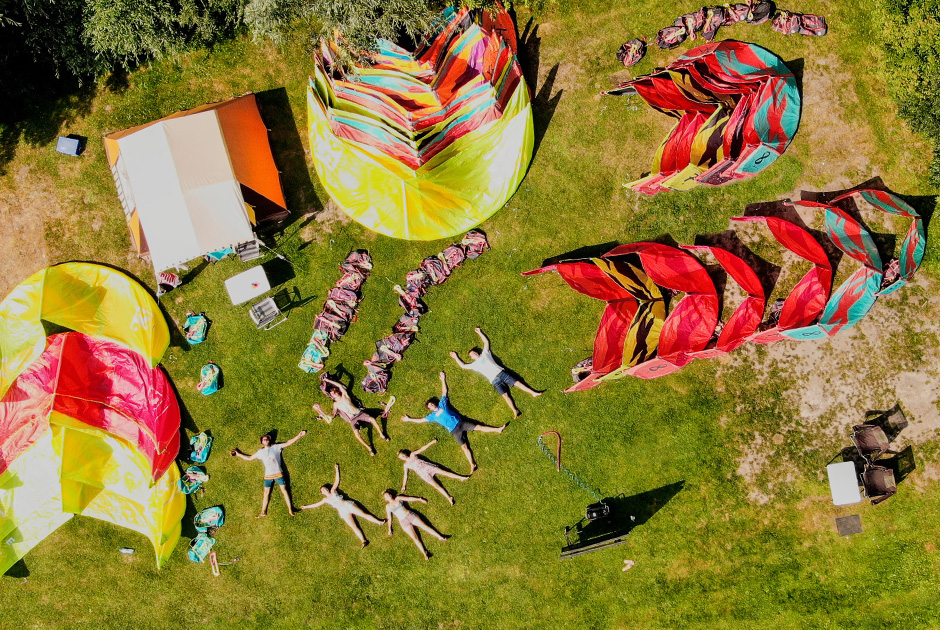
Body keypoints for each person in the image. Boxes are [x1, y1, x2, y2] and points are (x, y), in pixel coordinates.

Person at [401, 371, 505, 473]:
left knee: (480, 427)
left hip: (461, 423)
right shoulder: (432, 416)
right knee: (464, 447)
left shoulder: (442, 404)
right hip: (454, 431)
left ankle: (498, 429)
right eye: (430, 406)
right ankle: (472, 464)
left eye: (432, 404)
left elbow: (444, 392)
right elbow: (421, 420)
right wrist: (409, 419)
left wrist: (443, 380)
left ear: (434, 403)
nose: (432, 406)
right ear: (430, 409)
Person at [449, 327, 542, 417]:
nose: (474, 353)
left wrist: (479, 332)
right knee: (505, 396)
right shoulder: (474, 365)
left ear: (478, 352)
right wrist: (456, 357)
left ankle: (533, 393)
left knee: (518, 383)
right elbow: (463, 366)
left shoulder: (485, 353)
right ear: (472, 358)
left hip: (501, 373)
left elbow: (486, 342)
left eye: (474, 352)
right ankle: (515, 410)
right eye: (472, 354)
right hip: (494, 381)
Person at [300, 463, 386, 548]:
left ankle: (379, 522)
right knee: (353, 526)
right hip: (343, 511)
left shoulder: (333, 490)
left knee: (363, 514)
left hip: (347, 505)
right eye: (323, 490)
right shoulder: (325, 500)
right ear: (322, 493)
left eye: (325, 488)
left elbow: (337, 480)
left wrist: (337, 470)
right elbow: (316, 505)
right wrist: (306, 507)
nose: (325, 489)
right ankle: (364, 541)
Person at [231, 430, 307, 517]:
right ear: (262, 442)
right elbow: (249, 458)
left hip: (278, 473)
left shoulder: (276, 447)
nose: (265, 439)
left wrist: (299, 436)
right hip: (268, 476)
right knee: (266, 493)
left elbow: (288, 442)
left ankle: (290, 509)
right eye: (264, 439)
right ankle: (263, 511)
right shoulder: (260, 452)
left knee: (284, 490)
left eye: (267, 439)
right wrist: (238, 454)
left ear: (269, 440)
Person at [314, 373, 389, 456]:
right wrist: (325, 416)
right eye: (331, 394)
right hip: (352, 419)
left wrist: (328, 380)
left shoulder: (345, 396)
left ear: (337, 391)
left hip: (359, 413)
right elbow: (333, 414)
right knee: (357, 435)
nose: (333, 394)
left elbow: (340, 386)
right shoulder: (335, 404)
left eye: (333, 392)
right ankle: (369, 448)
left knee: (372, 419)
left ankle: (381, 434)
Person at [398, 439, 470, 505]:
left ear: (405, 453)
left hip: (428, 467)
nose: (403, 457)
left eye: (403, 455)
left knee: (445, 472)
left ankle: (461, 477)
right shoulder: (406, 465)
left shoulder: (412, 455)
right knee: (436, 486)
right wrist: (404, 485)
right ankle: (449, 498)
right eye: (402, 457)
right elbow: (406, 475)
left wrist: (432, 442)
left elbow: (422, 448)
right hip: (423, 474)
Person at [382, 489, 449, 560]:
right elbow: (389, 518)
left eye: (388, 494)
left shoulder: (398, 498)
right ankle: (424, 553)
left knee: (425, 527)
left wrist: (420, 499)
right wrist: (390, 528)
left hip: (410, 515)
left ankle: (440, 536)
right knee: (414, 537)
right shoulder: (388, 507)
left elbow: (409, 498)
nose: (388, 495)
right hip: (403, 522)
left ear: (391, 494)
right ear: (385, 499)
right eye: (386, 495)